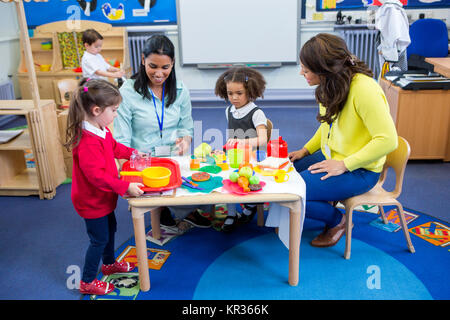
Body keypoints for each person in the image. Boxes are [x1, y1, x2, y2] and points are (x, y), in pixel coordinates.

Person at [288, 33, 398, 247]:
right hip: (334, 156)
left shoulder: (364, 89)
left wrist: (344, 165)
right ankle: (325, 199)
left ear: (324, 69)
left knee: (293, 192)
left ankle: (338, 221)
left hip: (361, 170)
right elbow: (327, 124)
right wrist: (305, 150)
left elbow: (388, 140)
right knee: (285, 172)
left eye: (306, 69)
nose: (302, 72)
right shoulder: (330, 85)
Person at [114, 34, 212, 229]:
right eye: (153, 66)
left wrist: (186, 140)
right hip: (143, 160)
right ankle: (163, 206)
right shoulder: (128, 91)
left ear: (173, 64)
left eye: (165, 67)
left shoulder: (181, 90)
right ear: (143, 60)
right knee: (158, 195)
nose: (159, 73)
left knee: (206, 194)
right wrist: (127, 174)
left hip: (173, 157)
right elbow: (121, 137)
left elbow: (186, 125)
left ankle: (171, 206)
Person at [64, 78, 144, 295]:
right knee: (98, 240)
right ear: (97, 110)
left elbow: (114, 146)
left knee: (110, 231)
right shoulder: (87, 141)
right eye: (114, 110)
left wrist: (132, 153)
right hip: (91, 201)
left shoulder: (101, 128)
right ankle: (87, 281)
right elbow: (96, 177)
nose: (116, 115)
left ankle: (108, 264)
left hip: (103, 197)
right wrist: (125, 186)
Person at [214, 67, 268, 232]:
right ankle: (231, 214)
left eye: (239, 93)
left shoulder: (256, 113)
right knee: (227, 178)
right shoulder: (228, 111)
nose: (234, 98)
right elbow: (233, 136)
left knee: (247, 176)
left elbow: (263, 140)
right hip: (235, 155)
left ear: (250, 91)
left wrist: (242, 143)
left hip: (253, 156)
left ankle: (251, 204)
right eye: (230, 93)